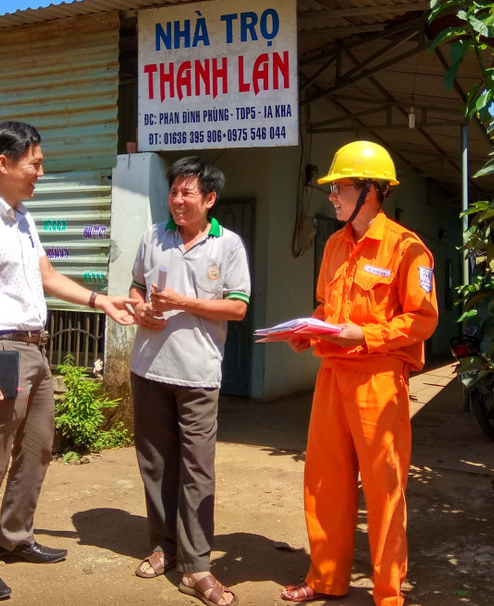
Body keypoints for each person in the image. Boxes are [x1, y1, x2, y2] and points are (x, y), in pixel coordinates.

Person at [0, 120, 135, 600]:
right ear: (3, 163)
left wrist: (100, 300)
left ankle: (14, 536)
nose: (41, 173)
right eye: (36, 163)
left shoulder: (22, 218)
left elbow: (46, 275)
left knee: (37, 448)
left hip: (34, 348)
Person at [281, 141, 438, 606]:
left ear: (371, 190)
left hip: (379, 379)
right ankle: (327, 578)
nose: (331, 196)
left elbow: (422, 320)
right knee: (325, 480)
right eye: (332, 189)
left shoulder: (408, 248)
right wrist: (308, 329)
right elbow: (327, 308)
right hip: (333, 375)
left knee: (384, 486)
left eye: (340, 187)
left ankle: (388, 593)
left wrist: (365, 335)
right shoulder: (334, 245)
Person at [128, 156, 250, 606]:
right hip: (148, 368)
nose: (178, 200)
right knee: (156, 464)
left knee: (197, 469)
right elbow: (135, 287)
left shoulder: (228, 245)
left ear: (210, 198)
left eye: (187, 192)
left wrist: (185, 302)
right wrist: (140, 308)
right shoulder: (152, 237)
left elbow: (237, 307)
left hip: (198, 374)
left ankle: (196, 566)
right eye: (174, 191)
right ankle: (164, 545)